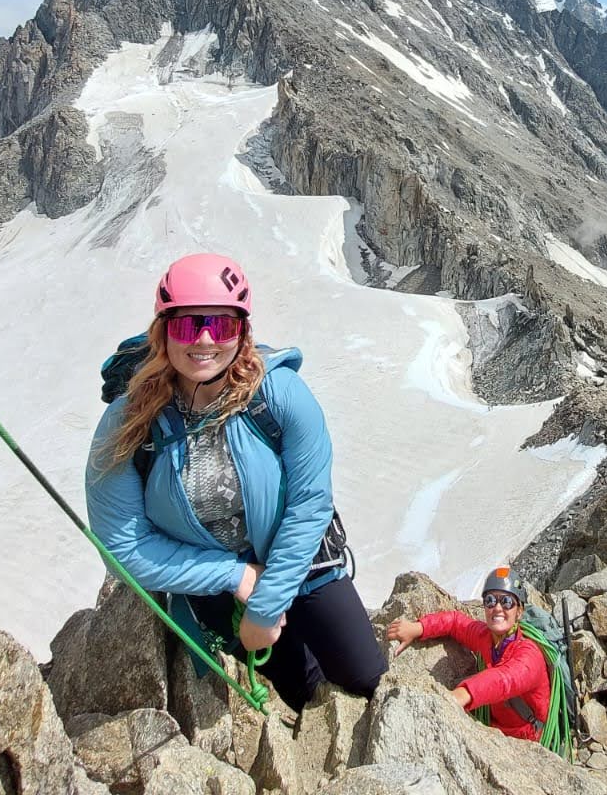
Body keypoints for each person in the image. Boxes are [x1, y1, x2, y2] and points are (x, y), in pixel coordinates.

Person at [86, 252, 384, 711]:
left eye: (221, 326)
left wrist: (266, 606)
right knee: (297, 690)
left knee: (365, 678)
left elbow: (310, 503)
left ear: (242, 332)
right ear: (163, 331)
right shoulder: (127, 421)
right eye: (187, 326)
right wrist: (236, 575)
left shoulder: (279, 394)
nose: (204, 340)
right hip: (218, 589)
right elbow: (122, 547)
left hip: (303, 565)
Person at [385, 566, 550, 741]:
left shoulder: (529, 655)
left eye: (507, 602)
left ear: (519, 612)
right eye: (490, 600)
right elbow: (455, 622)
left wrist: (462, 695)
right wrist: (418, 628)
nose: (498, 608)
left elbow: (504, 679)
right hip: (496, 728)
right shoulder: (486, 638)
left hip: (528, 736)